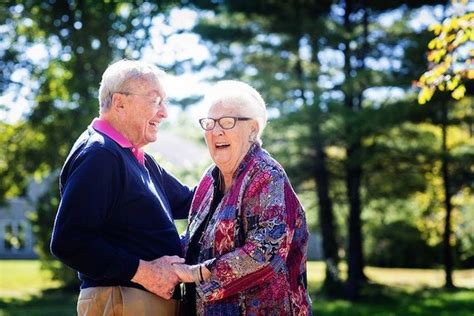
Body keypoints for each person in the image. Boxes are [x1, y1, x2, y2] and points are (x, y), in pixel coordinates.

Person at [50, 60, 194, 315]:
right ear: (119, 103)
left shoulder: (138, 159)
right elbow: (69, 241)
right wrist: (145, 272)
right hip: (122, 300)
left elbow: (191, 201)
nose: (164, 113)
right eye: (155, 100)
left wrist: (239, 171)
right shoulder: (100, 154)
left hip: (144, 301)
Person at [173, 80, 312, 315]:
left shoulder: (267, 175)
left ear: (253, 130)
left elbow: (264, 253)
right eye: (210, 123)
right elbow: (195, 242)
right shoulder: (210, 178)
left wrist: (195, 273)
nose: (216, 131)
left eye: (228, 122)